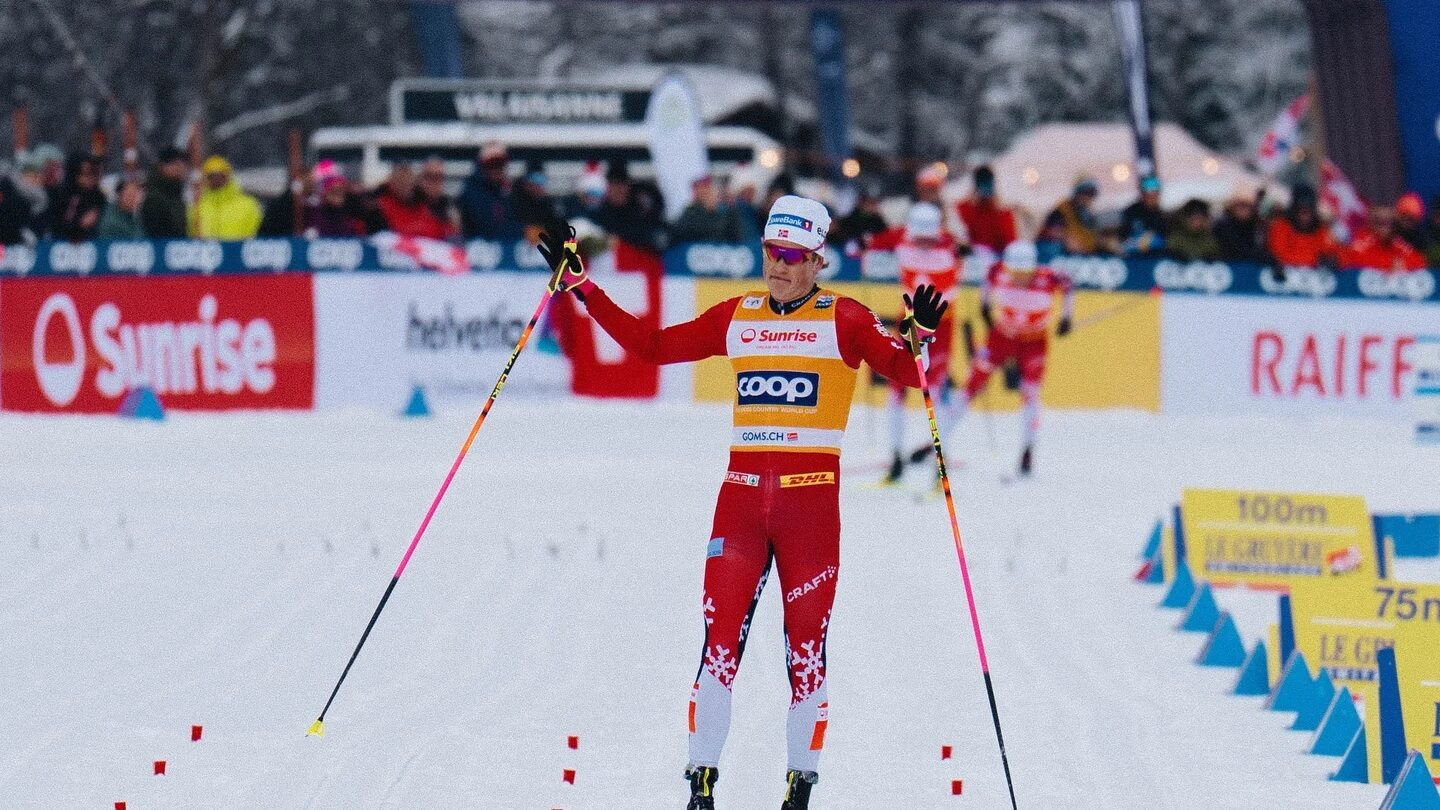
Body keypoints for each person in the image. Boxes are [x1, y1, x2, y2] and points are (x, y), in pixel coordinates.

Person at [537, 195, 940, 810]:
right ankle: (700, 782)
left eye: (793, 257)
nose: (779, 267)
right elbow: (651, 345)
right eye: (771, 253)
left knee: (805, 653)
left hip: (810, 512)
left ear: (817, 260)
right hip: (741, 506)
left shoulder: (847, 318)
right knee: (718, 646)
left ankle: (800, 785)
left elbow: (909, 372)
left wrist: (921, 339)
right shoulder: (738, 315)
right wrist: (583, 288)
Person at [951, 241, 1073, 477]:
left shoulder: (1047, 278)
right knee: (972, 383)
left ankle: (1028, 448)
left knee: (1031, 392)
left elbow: (1068, 284)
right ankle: (938, 440)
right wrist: (984, 306)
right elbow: (988, 277)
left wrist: (1066, 317)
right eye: (1014, 273)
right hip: (1002, 336)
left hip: (1034, 340)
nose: (1018, 278)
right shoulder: (998, 271)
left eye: (1024, 274)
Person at [870, 202, 963, 485]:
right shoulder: (903, 238)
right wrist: (862, 243)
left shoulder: (947, 246)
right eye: (919, 237)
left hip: (941, 324)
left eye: (928, 238)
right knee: (896, 387)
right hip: (910, 320)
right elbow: (873, 243)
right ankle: (896, 457)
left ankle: (939, 460)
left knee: (933, 389)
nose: (923, 243)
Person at [457, 139, 523, 240]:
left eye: (500, 164)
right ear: (482, 166)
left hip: (506, 246)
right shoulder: (471, 193)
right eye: (492, 164)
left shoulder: (511, 192)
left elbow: (518, 223)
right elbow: (482, 225)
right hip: (479, 247)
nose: (496, 169)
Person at [955, 164, 1017, 263]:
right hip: (973, 258)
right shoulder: (965, 208)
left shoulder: (1002, 212)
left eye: (988, 186)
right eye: (982, 186)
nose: (985, 192)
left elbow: (1011, 244)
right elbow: (960, 237)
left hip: (997, 259)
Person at [190, 155, 262, 239]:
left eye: (221, 175)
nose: (216, 180)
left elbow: (259, 235)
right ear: (205, 179)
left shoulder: (249, 205)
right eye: (211, 176)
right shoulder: (196, 207)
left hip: (239, 251)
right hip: (206, 252)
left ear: (229, 176)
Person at [1267, 184, 1338, 269]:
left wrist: (1333, 260)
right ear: (1294, 209)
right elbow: (1278, 254)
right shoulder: (1280, 227)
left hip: (1312, 278)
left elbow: (1332, 251)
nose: (1304, 214)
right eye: (1301, 209)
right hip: (1285, 275)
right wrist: (1314, 260)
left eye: (1308, 209)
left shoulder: (1321, 231)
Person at [1342, 205, 1427, 273]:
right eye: (1381, 223)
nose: (1386, 228)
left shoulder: (1398, 244)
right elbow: (1348, 265)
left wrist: (1405, 267)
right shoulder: (1360, 244)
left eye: (1390, 223)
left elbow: (1420, 262)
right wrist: (1387, 269)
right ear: (1371, 224)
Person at [49, 155, 107, 242]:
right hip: (65, 247)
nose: (90, 177)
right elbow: (59, 228)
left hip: (96, 246)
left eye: (93, 173)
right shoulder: (62, 196)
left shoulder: (99, 197)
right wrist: (81, 225)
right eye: (85, 173)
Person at [671, 175, 744, 244]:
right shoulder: (690, 214)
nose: (709, 194)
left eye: (709, 189)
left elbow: (737, 237)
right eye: (704, 189)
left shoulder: (725, 214)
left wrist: (731, 207)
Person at [141, 147, 190, 238]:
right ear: (163, 167)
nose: (180, 168)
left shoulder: (177, 193)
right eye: (176, 164)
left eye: (182, 164)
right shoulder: (154, 197)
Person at [1048, 177, 1104, 255]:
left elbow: (1092, 236)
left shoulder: (1088, 214)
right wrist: (1066, 239)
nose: (1087, 199)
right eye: (1085, 194)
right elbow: (1054, 231)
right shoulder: (1063, 209)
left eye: (1090, 196)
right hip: (1060, 249)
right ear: (1077, 194)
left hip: (1084, 253)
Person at [1214, 185, 1267, 264]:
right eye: (1239, 206)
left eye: (1246, 206)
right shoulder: (1222, 226)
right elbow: (1233, 249)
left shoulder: (1255, 226)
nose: (1243, 210)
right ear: (1232, 207)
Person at [1119, 175, 1167, 257]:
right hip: (1132, 257)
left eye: (1154, 194)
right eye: (1148, 195)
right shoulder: (1131, 212)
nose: (1152, 198)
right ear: (1142, 195)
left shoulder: (1162, 216)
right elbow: (1123, 237)